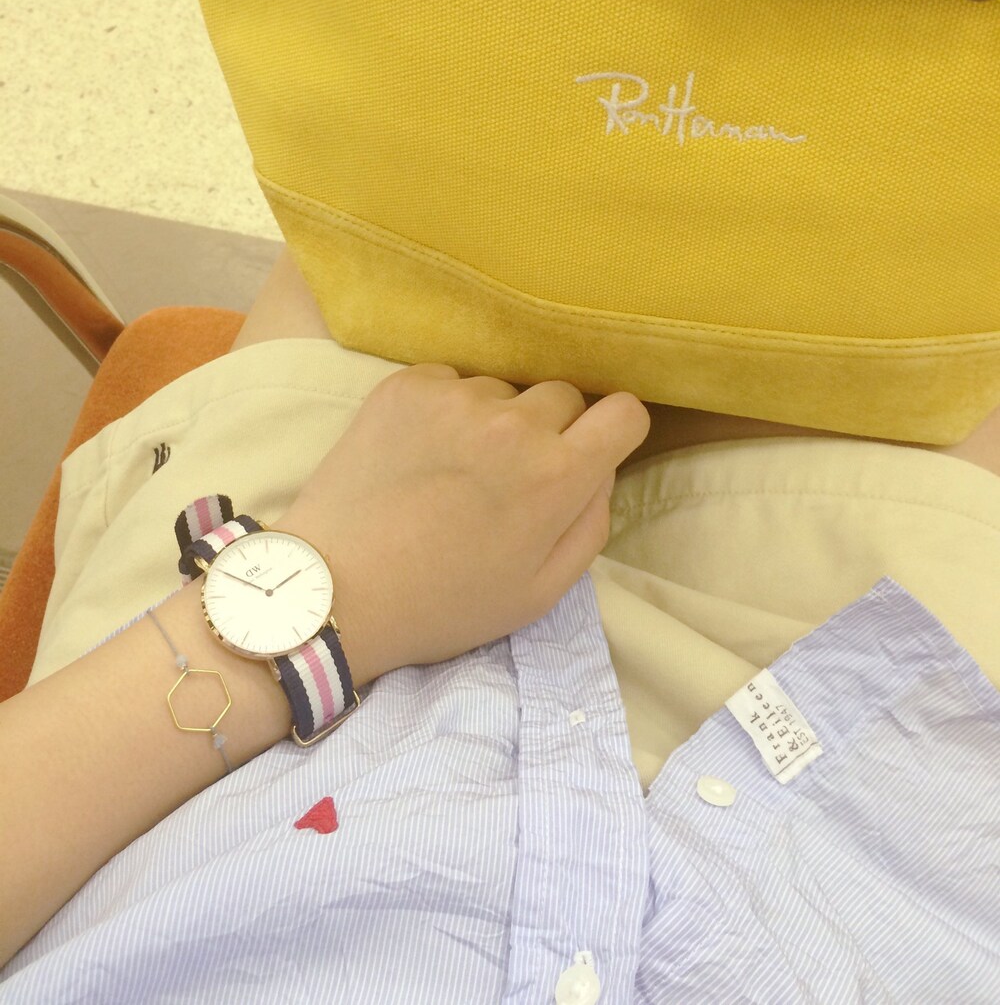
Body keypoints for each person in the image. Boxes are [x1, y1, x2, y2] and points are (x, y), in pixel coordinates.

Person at [1, 246, 998, 1000]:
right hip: (863, 792)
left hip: (180, 735)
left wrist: (328, 587)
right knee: (911, 226)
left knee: (462, 149)